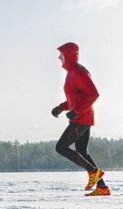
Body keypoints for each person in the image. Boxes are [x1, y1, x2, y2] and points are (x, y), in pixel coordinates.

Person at [51, 42, 111, 196]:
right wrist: (61, 107)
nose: (59, 57)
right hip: (82, 116)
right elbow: (76, 97)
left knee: (61, 147)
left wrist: (76, 111)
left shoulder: (78, 71)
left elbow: (93, 93)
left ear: (69, 55)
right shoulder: (71, 73)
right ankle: (102, 187)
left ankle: (93, 172)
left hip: (82, 118)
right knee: (82, 151)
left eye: (61, 55)